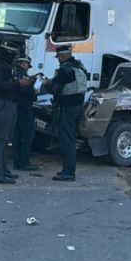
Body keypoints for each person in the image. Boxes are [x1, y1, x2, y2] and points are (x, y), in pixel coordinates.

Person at [0, 42, 33, 184]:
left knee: (5, 140)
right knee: (0, 141)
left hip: (7, 104)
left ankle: (4, 171)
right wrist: (18, 84)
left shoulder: (3, 65)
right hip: (1, 104)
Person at [43, 44, 87, 182]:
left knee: (66, 140)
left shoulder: (64, 70)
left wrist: (46, 84)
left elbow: (55, 90)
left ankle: (68, 172)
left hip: (67, 108)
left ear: (62, 56)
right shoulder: (80, 67)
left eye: (58, 57)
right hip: (79, 107)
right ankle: (69, 170)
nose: (58, 60)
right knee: (71, 139)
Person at [12, 55, 39, 172]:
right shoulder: (23, 76)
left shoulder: (12, 73)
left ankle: (17, 162)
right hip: (24, 108)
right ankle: (24, 162)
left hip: (15, 108)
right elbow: (26, 91)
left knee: (17, 136)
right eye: (28, 65)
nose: (28, 68)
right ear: (24, 64)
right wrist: (34, 92)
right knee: (27, 135)